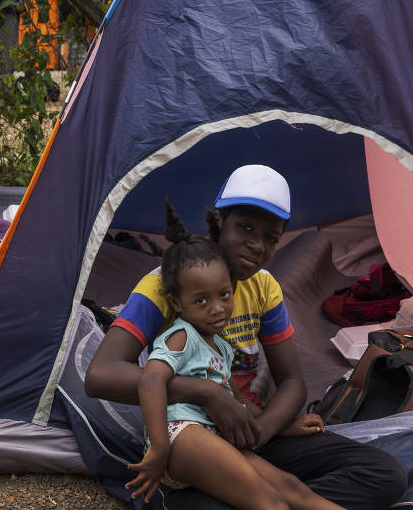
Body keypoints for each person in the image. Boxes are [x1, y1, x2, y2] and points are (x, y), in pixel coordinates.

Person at [85, 165, 408, 510]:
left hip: (244, 429)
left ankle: (251, 492)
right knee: (254, 498)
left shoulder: (264, 286)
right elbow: (101, 376)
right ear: (219, 221)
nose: (256, 245)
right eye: (245, 228)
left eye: (271, 238)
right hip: (188, 434)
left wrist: (263, 430)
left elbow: (293, 382)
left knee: (384, 474)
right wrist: (206, 394)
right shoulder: (167, 283)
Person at [127, 201, 344, 510]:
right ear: (177, 303)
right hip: (180, 435)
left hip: (213, 434)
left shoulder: (221, 346)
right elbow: (150, 380)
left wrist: (281, 426)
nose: (217, 308)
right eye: (201, 300)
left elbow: (232, 401)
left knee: (292, 489)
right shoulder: (180, 336)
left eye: (224, 295)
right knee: (270, 502)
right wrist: (159, 449)